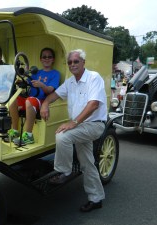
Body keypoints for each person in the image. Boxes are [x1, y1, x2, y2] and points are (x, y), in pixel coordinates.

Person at [40, 49, 107, 212]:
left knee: (63, 136)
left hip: (94, 125)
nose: (72, 64)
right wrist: (44, 104)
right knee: (87, 163)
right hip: (80, 126)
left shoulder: (93, 77)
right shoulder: (70, 82)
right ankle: (96, 198)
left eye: (76, 61)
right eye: (70, 62)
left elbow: (94, 104)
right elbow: (53, 95)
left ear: (83, 62)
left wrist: (73, 122)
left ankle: (64, 172)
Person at [9, 47, 60, 145]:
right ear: (41, 59)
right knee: (13, 100)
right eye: (44, 57)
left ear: (53, 59)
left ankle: (28, 135)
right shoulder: (37, 72)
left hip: (41, 101)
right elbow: (27, 81)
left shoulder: (55, 74)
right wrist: (20, 81)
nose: (47, 59)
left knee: (30, 100)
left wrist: (42, 85)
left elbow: (50, 90)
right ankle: (14, 131)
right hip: (30, 100)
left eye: (49, 57)